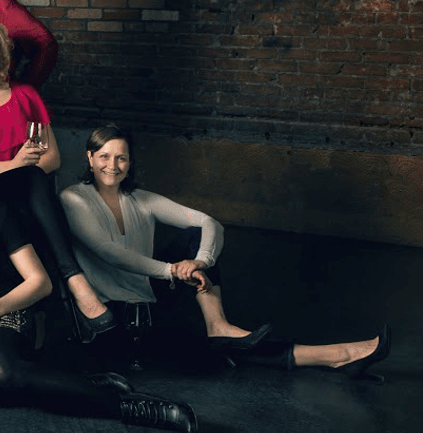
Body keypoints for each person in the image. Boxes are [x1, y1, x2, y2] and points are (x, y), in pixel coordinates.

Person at [0, 117, 197, 433]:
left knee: (2, 372)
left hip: (1, 309)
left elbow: (40, 282)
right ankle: (68, 384)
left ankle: (134, 406)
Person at [62, 124, 390, 377]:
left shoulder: (141, 199)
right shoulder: (73, 199)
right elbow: (108, 252)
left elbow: (209, 223)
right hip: (115, 316)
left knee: (196, 241)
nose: (113, 165)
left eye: (121, 157)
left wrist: (200, 261)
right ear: (89, 158)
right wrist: (171, 270)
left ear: (131, 162)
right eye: (104, 156)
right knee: (223, 348)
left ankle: (218, 324)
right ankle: (338, 356)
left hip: (151, 301)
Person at [0, 17, 115, 341]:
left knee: (32, 176)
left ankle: (59, 334)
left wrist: (18, 168)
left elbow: (53, 158)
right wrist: (14, 164)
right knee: (30, 174)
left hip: (25, 200)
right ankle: (74, 279)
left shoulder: (25, 95)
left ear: (2, 55)